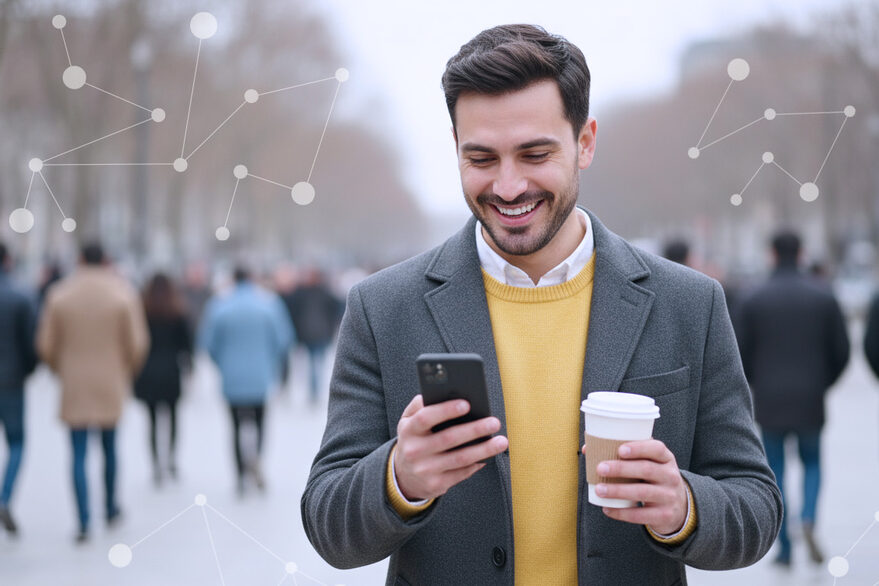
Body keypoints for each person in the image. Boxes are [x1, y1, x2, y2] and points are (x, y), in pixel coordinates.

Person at [302, 24, 781, 585]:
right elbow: (328, 526)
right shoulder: (381, 308)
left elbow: (757, 507)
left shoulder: (688, 304)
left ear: (585, 142)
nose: (507, 186)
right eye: (481, 158)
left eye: (534, 154)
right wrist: (397, 479)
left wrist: (683, 506)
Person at [736, 230, 849, 567]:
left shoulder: (753, 298)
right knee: (812, 463)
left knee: (774, 470)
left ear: (772, 254)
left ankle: (784, 545)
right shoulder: (824, 297)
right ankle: (810, 518)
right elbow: (841, 351)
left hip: (769, 400)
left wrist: (758, 385)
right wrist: (822, 382)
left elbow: (739, 354)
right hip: (810, 398)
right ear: (801, 254)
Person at [36, 242, 149, 542]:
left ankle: (83, 519)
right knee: (111, 449)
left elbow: (45, 345)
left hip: (74, 383)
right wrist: (124, 369)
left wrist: (61, 368)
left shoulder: (59, 295)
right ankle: (110, 507)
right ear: (107, 260)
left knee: (77, 453)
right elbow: (138, 343)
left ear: (80, 259)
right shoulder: (123, 294)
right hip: (110, 380)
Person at [199, 265, 293, 495]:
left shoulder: (219, 306)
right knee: (260, 422)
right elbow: (283, 339)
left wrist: (221, 363)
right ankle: (257, 458)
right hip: (260, 375)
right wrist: (270, 362)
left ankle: (240, 474)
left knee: (234, 426)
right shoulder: (269, 304)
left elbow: (207, 342)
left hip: (232, 377)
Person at [134, 273, 192, 486]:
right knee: (173, 418)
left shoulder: (142, 311)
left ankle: (156, 463)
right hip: (170, 371)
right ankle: (171, 459)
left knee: (151, 421)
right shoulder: (176, 311)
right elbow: (186, 345)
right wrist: (189, 367)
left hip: (147, 372)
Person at [0, 242, 37, 536]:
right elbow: (31, 345)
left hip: (13, 378)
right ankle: (5, 496)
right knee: (16, 443)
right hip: (11, 382)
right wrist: (27, 371)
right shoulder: (20, 297)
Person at [284, 267, 343, 404]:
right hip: (314, 333)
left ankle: (314, 391)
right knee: (315, 363)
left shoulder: (314, 292)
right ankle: (314, 391)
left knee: (315, 363)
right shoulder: (311, 292)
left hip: (316, 333)